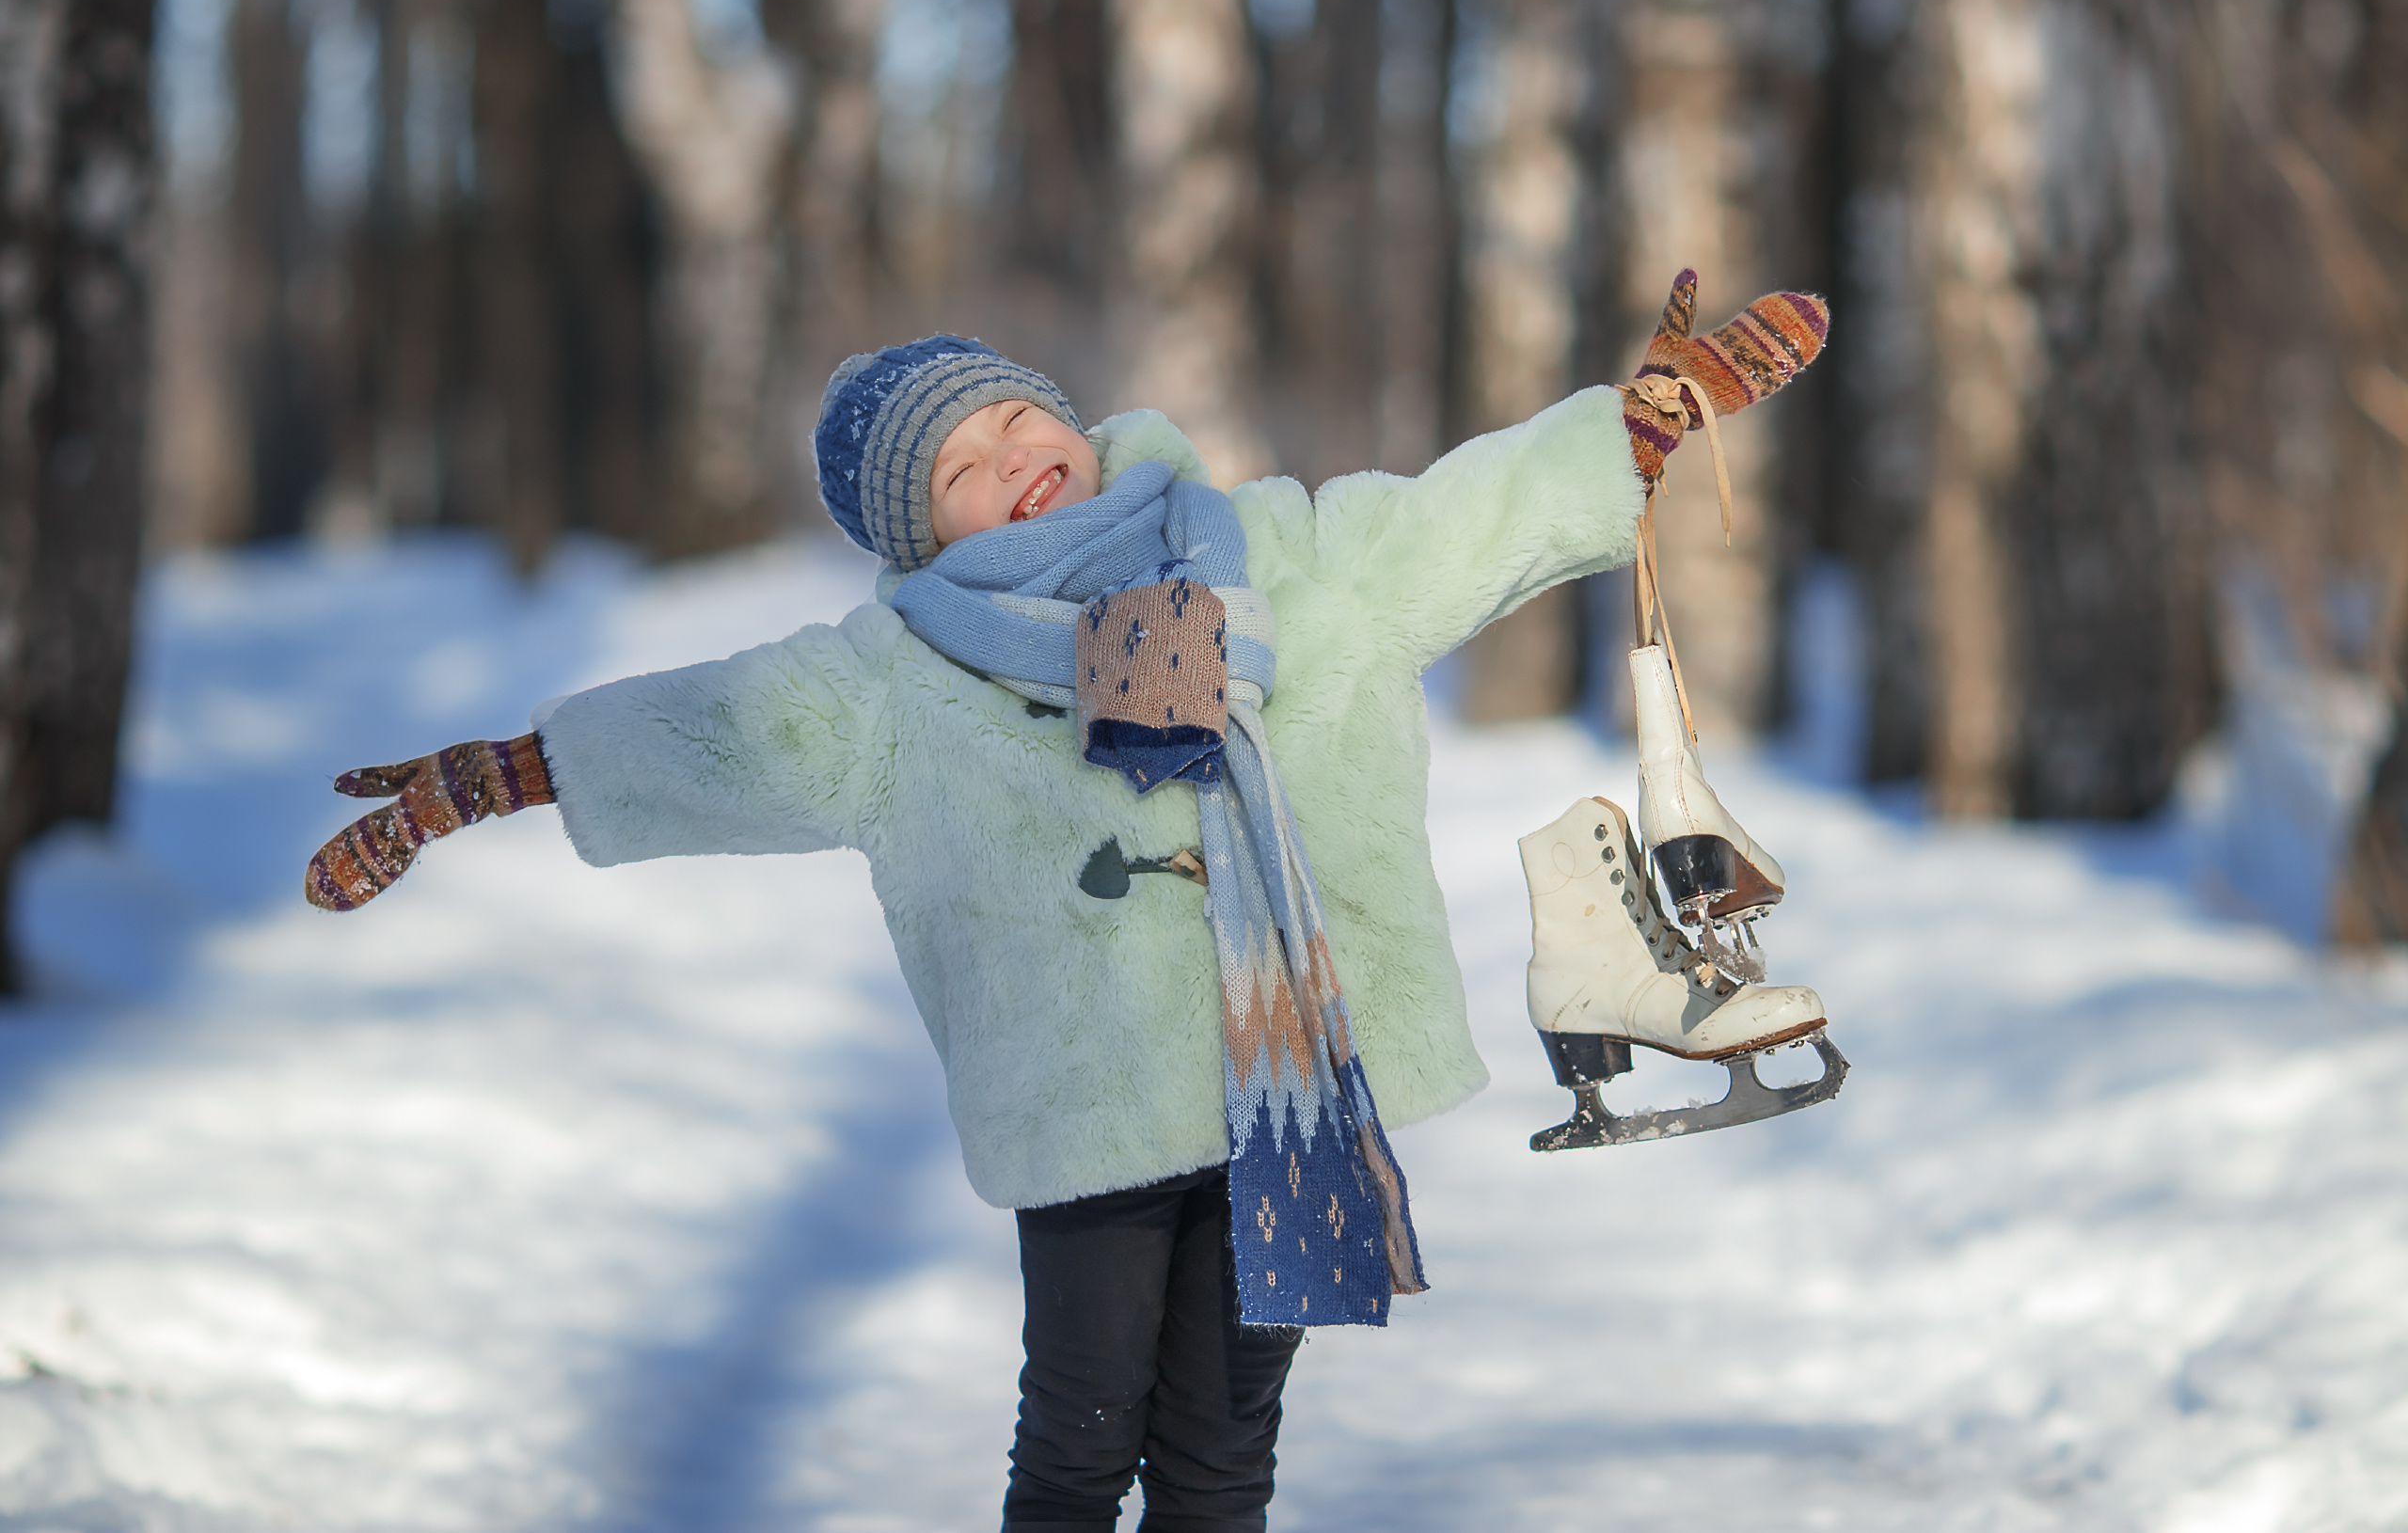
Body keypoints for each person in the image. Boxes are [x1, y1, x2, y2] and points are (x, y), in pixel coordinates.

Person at [304, 272, 1826, 1532]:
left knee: (1227, 1454)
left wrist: (1630, 430)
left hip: (1275, 1083)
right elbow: (727, 730)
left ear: (1080, 424)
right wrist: (498, 775)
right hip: (1088, 1111)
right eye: (959, 469)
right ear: (926, 539)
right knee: (1081, 1443)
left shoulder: (1287, 558)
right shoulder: (899, 681)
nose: (1010, 455)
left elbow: (1456, 520)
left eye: (1022, 417)